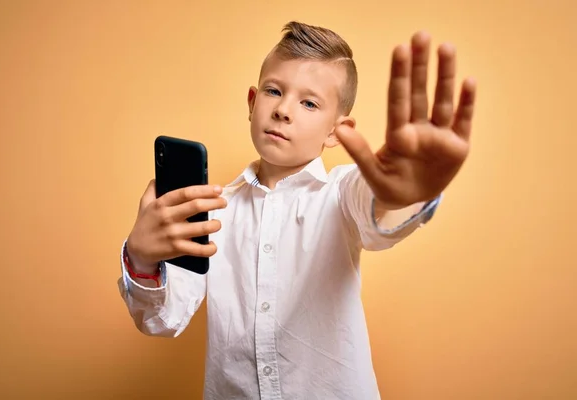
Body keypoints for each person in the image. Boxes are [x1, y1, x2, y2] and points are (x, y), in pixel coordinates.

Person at [118, 21, 476, 400]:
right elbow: (162, 320)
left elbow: (377, 214)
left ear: (337, 131)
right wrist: (141, 261)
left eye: (309, 103)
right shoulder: (210, 211)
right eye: (274, 91)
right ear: (252, 103)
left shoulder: (342, 192)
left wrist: (405, 196)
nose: (284, 110)